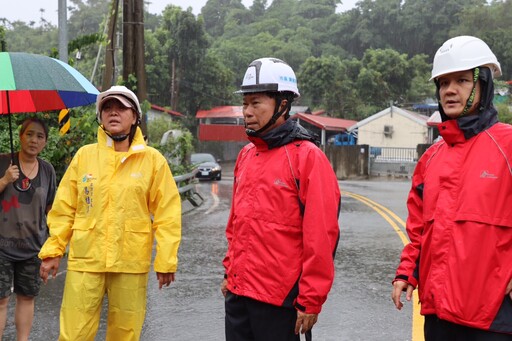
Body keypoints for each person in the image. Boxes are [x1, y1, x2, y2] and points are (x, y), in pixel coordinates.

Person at [391, 36, 512, 340]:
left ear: (483, 84)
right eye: (443, 83)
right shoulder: (432, 158)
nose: (449, 90)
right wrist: (407, 271)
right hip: (438, 313)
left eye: (461, 80)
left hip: (494, 319)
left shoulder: (508, 145)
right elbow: (419, 230)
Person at [38, 85, 182, 341]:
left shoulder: (152, 160)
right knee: (73, 333)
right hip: (86, 260)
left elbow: (167, 213)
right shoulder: (85, 156)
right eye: (107, 107)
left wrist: (166, 259)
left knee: (125, 334)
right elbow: (64, 208)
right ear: (100, 116)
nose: (113, 113)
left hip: (130, 261)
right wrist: (53, 250)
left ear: (135, 116)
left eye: (121, 108)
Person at [221, 57, 341, 341]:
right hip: (238, 294)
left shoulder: (307, 157)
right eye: (245, 103)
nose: (247, 111)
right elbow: (236, 224)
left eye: (256, 103)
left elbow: (321, 235)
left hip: (279, 300)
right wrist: (229, 271)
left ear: (283, 104)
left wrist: (311, 299)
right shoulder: (246, 155)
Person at [0, 117, 56, 341]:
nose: (34, 140)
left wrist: (53, 246)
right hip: (2, 245)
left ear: (45, 142)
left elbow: (51, 209)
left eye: (40, 136)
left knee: (27, 297)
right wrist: (4, 180)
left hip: (33, 246)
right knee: (1, 299)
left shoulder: (47, 170)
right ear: (21, 136)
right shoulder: (4, 162)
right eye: (29, 134)